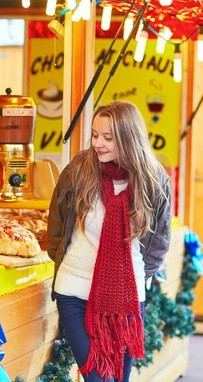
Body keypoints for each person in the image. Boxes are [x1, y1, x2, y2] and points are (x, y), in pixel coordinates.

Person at [46, 101, 172, 382]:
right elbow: (56, 227)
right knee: (98, 379)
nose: (98, 144)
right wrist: (66, 264)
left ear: (128, 137)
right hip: (74, 290)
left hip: (126, 299)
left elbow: (158, 245)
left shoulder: (153, 181)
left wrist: (126, 278)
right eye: (94, 135)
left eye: (107, 137)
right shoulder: (80, 169)